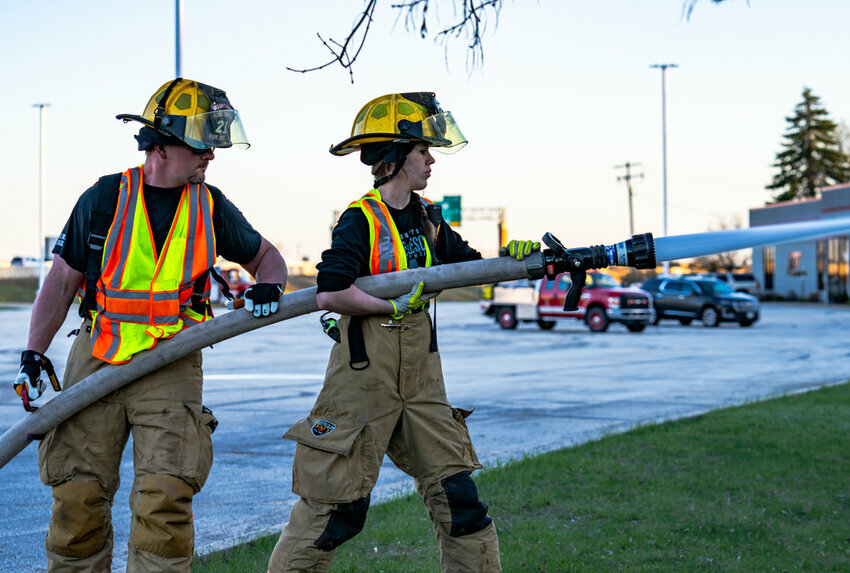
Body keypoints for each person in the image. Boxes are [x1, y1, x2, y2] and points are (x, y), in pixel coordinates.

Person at [12, 78, 288, 572]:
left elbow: (266, 257)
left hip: (172, 360)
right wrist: (34, 354)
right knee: (77, 496)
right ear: (161, 144)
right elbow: (60, 281)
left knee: (165, 502)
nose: (211, 157)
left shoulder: (211, 205)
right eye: (202, 144)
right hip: (97, 356)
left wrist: (270, 284)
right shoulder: (103, 198)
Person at [268, 92, 538, 572]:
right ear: (395, 157)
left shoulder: (429, 218)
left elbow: (470, 269)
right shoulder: (359, 220)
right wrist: (387, 303)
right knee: (335, 512)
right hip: (362, 378)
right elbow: (330, 292)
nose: (431, 160)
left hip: (422, 381)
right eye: (422, 151)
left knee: (461, 504)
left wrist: (514, 260)